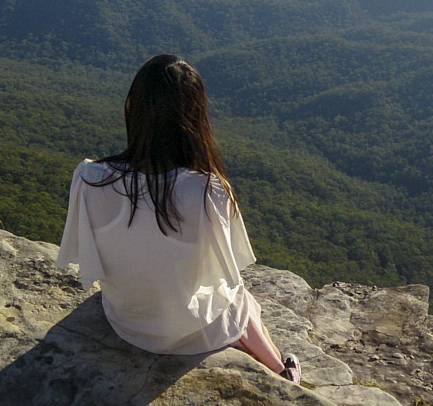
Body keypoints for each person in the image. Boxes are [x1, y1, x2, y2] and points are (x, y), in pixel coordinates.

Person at [56, 54, 300, 383]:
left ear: (131, 107)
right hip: (186, 332)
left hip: (126, 321)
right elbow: (229, 271)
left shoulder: (89, 178)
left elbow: (88, 259)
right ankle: (281, 372)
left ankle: (280, 370)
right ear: (197, 117)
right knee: (241, 299)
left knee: (237, 299)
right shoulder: (208, 190)